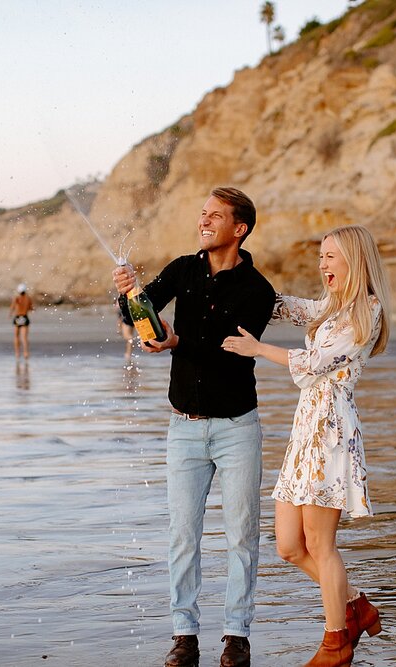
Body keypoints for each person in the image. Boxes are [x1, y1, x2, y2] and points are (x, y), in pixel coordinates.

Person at [112, 187, 276, 667]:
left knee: (242, 534)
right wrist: (130, 294)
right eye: (202, 214)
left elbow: (232, 349)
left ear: (239, 228)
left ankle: (236, 635)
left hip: (237, 428)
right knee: (183, 534)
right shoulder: (182, 268)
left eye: (214, 216)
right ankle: (184, 634)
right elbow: (136, 316)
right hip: (182, 427)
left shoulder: (257, 291)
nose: (203, 221)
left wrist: (176, 339)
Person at [221, 225, 390, 667]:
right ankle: (356, 605)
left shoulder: (365, 311)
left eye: (331, 257)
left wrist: (256, 348)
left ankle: (336, 643)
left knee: (320, 544)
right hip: (305, 431)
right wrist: (247, 281)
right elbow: (292, 307)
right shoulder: (332, 307)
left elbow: (314, 362)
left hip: (332, 434)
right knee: (289, 545)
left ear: (354, 259)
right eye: (321, 257)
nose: (322, 264)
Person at [9, 284, 34, 361]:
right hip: (24, 317)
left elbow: (12, 307)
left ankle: (17, 353)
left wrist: (10, 313)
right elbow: (31, 308)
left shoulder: (17, 298)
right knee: (24, 337)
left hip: (18, 317)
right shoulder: (28, 299)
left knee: (16, 336)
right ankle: (26, 353)